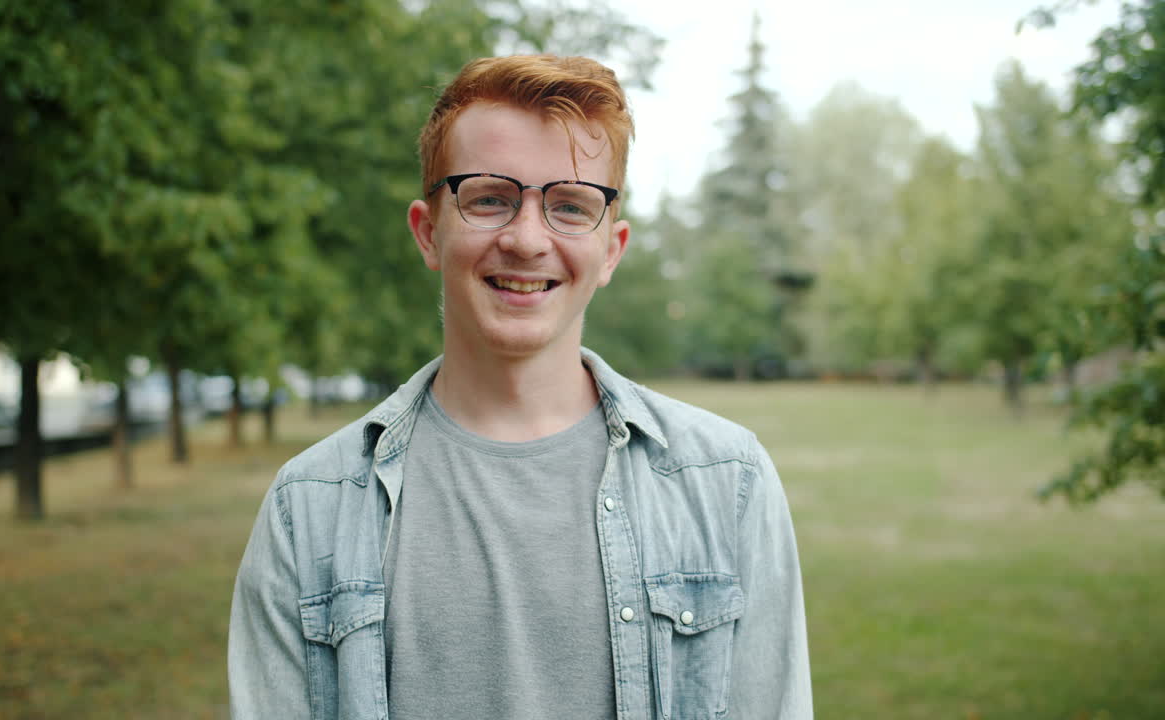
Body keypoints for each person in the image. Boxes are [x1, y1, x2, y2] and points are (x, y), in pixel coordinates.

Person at [228, 54, 812, 719]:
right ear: (428, 232)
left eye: (570, 205)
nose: (528, 239)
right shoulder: (308, 509)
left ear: (612, 249)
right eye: (489, 198)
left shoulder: (728, 483)